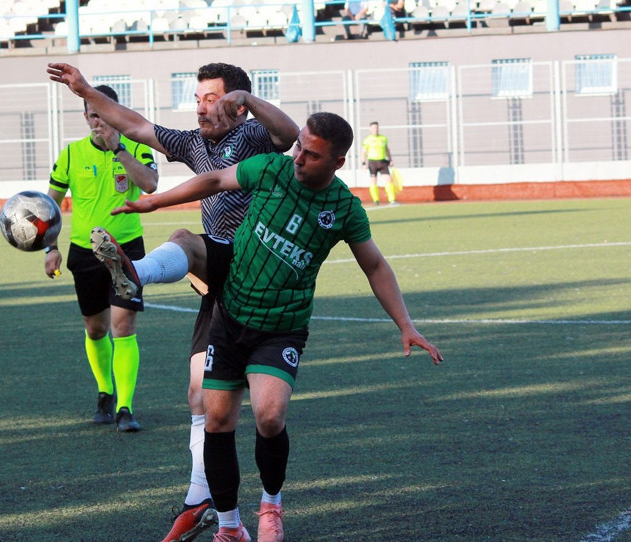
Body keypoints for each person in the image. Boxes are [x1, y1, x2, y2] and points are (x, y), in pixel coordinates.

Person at [99, 112, 443, 541]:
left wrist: (405, 324)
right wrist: (153, 201)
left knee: (270, 415)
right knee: (217, 422)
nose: (298, 158)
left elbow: (374, 265)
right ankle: (229, 527)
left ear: (337, 162)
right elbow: (212, 181)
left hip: (282, 327)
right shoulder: (271, 168)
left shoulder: (344, 209)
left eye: (311, 154)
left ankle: (271, 507)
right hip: (231, 315)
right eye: (298, 145)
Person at [47, 62, 299, 541]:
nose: (200, 105)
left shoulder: (253, 139)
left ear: (236, 102)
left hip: (259, 277)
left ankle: (267, 505)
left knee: (267, 415)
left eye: (211, 97)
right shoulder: (192, 142)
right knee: (197, 395)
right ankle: (204, 502)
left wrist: (249, 98)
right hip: (218, 283)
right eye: (198, 96)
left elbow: (287, 133)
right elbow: (135, 124)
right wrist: (83, 91)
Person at [43, 85, 158, 433]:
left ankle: (125, 406)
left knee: (124, 326)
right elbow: (49, 206)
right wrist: (51, 248)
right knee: (96, 329)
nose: (99, 122)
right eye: (93, 115)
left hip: (125, 249)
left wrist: (119, 149)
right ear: (85, 116)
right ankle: (104, 392)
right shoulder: (71, 154)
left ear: (115, 113)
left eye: (105, 114)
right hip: (83, 252)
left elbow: (151, 184)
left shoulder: (136, 147)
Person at [361, 121, 397, 205]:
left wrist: (390, 160)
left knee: (388, 180)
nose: (375, 129)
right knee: (373, 181)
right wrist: (363, 163)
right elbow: (363, 152)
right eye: (373, 128)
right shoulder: (367, 140)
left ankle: (392, 200)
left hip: (383, 162)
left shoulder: (383, 138)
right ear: (370, 129)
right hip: (372, 162)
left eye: (376, 127)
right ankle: (376, 200)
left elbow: (387, 150)